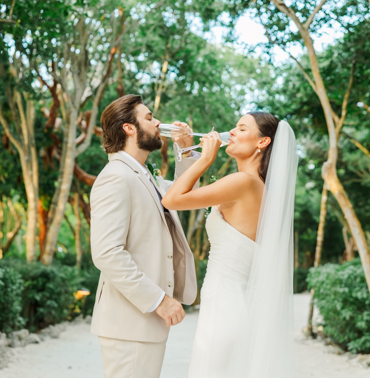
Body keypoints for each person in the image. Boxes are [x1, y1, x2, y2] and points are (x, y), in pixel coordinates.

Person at [162, 112, 298, 378]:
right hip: (236, 303)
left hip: (226, 305)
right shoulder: (258, 187)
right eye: (233, 127)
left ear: (262, 142)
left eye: (242, 128)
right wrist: (185, 147)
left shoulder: (243, 182)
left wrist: (205, 158)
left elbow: (172, 200)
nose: (231, 132)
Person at [90, 94, 198, 378]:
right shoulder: (116, 176)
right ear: (129, 128)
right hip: (129, 323)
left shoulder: (143, 174)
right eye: (149, 118)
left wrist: (186, 151)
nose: (158, 122)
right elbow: (107, 253)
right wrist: (160, 300)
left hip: (141, 325)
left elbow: (182, 195)